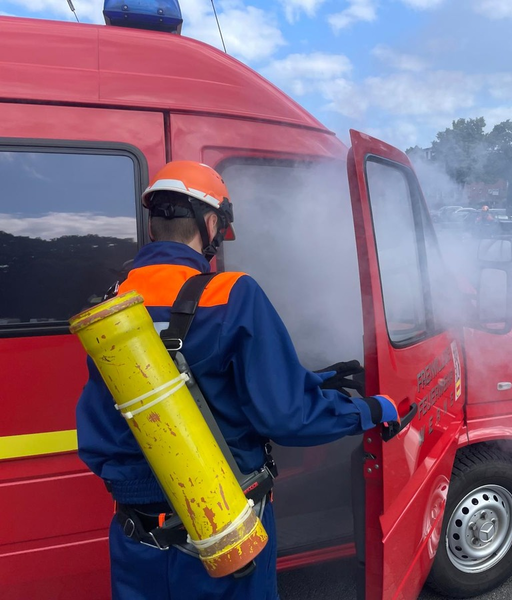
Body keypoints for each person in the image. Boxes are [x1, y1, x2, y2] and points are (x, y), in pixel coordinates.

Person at [75, 161, 399, 600]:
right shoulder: (231, 294)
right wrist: (371, 409)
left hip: (137, 538)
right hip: (225, 532)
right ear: (210, 223)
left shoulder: (114, 307)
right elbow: (288, 417)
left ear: (155, 226)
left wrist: (318, 379)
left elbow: (128, 410)